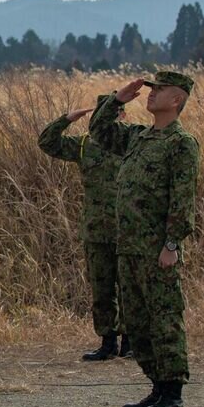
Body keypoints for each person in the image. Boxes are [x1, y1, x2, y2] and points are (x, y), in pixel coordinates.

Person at [89, 71, 200, 407]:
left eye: (159, 90)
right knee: (137, 322)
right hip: (129, 247)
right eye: (150, 90)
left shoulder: (180, 144)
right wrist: (117, 100)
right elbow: (100, 131)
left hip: (156, 249)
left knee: (164, 318)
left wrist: (172, 243)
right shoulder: (139, 138)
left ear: (177, 100)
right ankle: (155, 385)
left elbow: (182, 200)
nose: (151, 95)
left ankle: (173, 392)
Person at [38, 95, 130, 361]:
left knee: (129, 289)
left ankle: (131, 341)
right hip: (96, 230)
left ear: (122, 116)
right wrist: (67, 119)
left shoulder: (134, 143)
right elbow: (47, 142)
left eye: (112, 114)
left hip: (129, 230)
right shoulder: (85, 146)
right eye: (99, 115)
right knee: (101, 289)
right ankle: (107, 341)